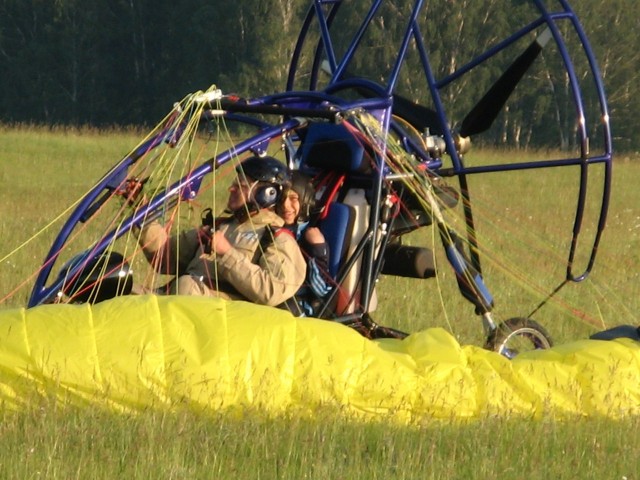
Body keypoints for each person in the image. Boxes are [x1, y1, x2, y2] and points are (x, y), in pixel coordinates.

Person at [137, 156, 307, 307]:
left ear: (267, 194)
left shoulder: (278, 240)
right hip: (182, 303)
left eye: (240, 186)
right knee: (119, 285)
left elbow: (271, 291)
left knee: (186, 286)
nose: (231, 190)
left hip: (223, 321)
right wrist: (141, 210)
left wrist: (227, 254)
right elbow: (163, 256)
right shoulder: (220, 227)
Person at [277, 170, 332, 316]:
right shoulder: (270, 228)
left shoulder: (310, 237)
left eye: (293, 198)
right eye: (281, 198)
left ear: (305, 201)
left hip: (297, 308)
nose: (285, 205)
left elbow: (322, 290)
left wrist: (318, 249)